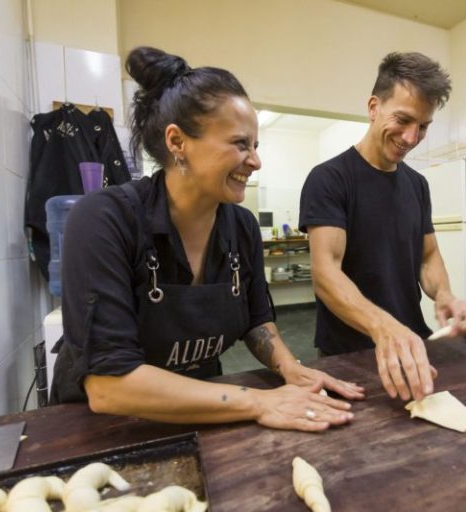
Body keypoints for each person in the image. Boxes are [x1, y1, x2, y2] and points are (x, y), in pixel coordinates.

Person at [51, 46, 364, 432]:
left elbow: (256, 320)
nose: (255, 161)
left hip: (204, 408)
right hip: (107, 428)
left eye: (255, 145)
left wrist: (291, 368)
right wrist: (259, 401)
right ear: (178, 142)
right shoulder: (104, 219)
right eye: (240, 144)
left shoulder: (241, 227)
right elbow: (108, 385)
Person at [299, 52, 466, 403]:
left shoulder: (417, 185)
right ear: (373, 107)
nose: (411, 137)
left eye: (423, 126)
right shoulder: (330, 179)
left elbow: (427, 257)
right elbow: (326, 275)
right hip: (350, 356)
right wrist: (385, 329)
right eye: (403, 120)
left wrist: (444, 296)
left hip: (413, 346)